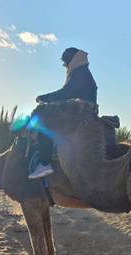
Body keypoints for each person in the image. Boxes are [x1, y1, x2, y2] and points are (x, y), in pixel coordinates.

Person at [29, 47, 98, 179]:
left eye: (65, 62)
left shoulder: (80, 73)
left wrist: (44, 98)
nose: (65, 66)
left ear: (70, 60)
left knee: (43, 122)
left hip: (80, 114)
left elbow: (65, 93)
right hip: (82, 112)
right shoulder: (81, 72)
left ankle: (45, 163)